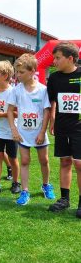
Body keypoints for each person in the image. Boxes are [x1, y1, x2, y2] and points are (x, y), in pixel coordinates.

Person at [7, 53, 55, 205]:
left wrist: (42, 132)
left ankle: (46, 185)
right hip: (23, 134)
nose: (18, 75)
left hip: (39, 133)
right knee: (25, 161)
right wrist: (14, 130)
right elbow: (9, 110)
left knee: (44, 160)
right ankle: (25, 191)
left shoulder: (42, 90)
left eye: (21, 72)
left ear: (33, 71)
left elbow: (47, 111)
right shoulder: (16, 89)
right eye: (17, 72)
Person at [47, 42, 81, 218]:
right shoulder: (54, 78)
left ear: (70, 58)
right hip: (61, 126)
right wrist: (52, 119)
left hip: (79, 127)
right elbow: (53, 101)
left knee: (79, 163)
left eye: (58, 58)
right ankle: (64, 199)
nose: (54, 61)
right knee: (65, 161)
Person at [0, 60, 20, 197]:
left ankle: (16, 182)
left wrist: (1, 114)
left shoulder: (13, 92)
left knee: (12, 158)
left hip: (12, 131)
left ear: (5, 76)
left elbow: (18, 113)